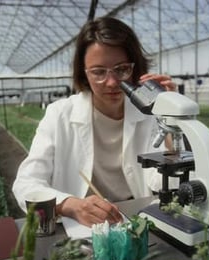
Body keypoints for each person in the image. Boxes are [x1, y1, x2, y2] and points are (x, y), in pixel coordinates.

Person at [12, 16, 176, 227]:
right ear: (84, 72)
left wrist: (173, 118)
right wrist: (69, 205)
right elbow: (26, 184)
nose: (112, 82)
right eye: (98, 72)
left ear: (135, 69)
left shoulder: (149, 114)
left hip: (137, 219)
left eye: (121, 69)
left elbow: (165, 180)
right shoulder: (60, 115)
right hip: (82, 228)